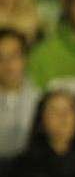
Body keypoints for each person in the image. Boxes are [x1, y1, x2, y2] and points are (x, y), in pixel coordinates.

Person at [0, 29, 41, 160]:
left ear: (25, 58)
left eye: (14, 55)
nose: (8, 64)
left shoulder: (40, 99)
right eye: (1, 58)